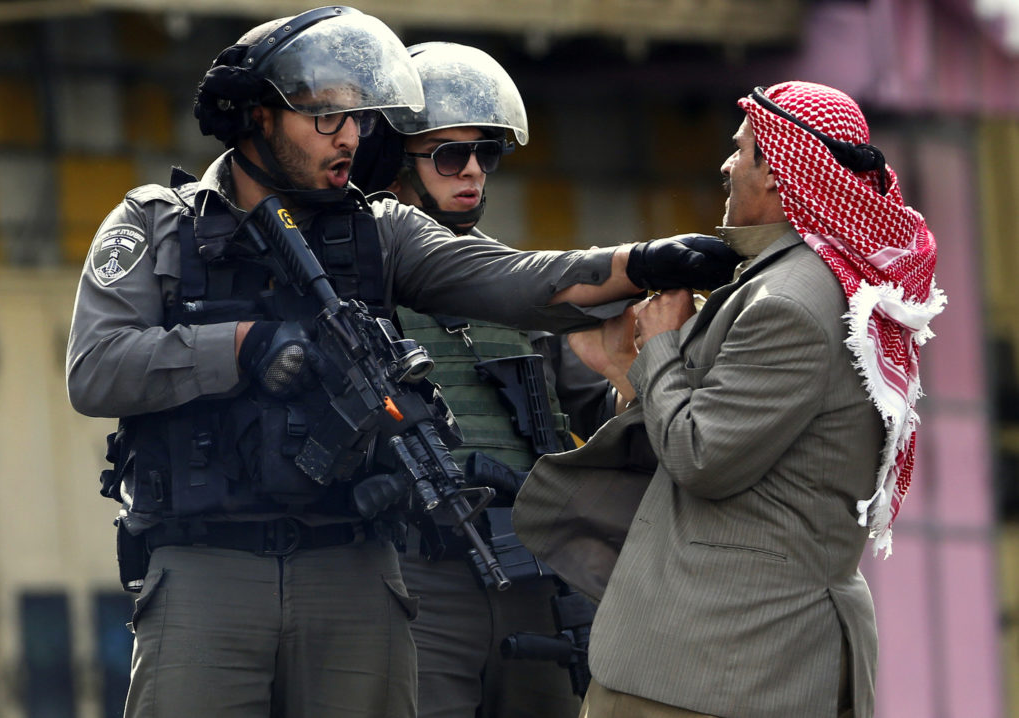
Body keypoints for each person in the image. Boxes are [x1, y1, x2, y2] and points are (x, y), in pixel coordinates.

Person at [64, 6, 736, 718]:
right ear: (260, 116)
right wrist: (242, 347)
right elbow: (97, 366)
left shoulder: (380, 229)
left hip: (353, 566)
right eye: (327, 118)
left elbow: (518, 281)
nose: (350, 137)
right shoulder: (158, 223)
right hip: (205, 568)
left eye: (359, 120)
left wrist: (646, 261)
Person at [519, 81, 946, 718]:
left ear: (779, 175)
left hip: (719, 665)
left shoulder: (790, 305)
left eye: (741, 151)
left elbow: (703, 455)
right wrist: (636, 370)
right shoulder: (809, 284)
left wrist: (660, 344)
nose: (725, 165)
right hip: (738, 659)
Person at [353, 42, 613, 717]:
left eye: (484, 155)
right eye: (448, 156)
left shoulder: (517, 291)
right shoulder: (350, 285)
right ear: (392, 158)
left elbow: (598, 410)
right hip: (416, 574)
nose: (471, 173)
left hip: (531, 571)